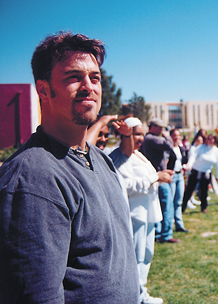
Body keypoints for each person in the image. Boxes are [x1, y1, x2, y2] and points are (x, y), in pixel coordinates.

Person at [0, 32, 139, 303]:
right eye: (74, 77)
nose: (89, 86)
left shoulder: (100, 159)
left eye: (95, 78)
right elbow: (34, 295)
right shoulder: (32, 177)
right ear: (43, 90)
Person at [111, 117, 168, 304]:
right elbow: (124, 184)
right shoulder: (118, 157)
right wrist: (155, 177)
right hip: (134, 215)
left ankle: (141, 293)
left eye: (142, 134)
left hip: (148, 211)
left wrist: (159, 177)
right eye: (136, 133)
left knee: (146, 255)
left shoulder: (138, 154)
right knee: (135, 258)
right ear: (125, 134)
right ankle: (132, 297)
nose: (140, 138)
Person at [140, 118, 180, 244]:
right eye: (161, 127)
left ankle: (157, 233)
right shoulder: (151, 139)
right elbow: (169, 145)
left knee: (156, 206)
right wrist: (168, 136)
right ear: (154, 127)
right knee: (167, 206)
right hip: (159, 178)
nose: (163, 130)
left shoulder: (147, 139)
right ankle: (166, 234)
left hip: (154, 177)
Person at [182, 134, 218, 214]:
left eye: (212, 139)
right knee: (189, 190)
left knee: (204, 191)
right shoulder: (201, 148)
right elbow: (193, 156)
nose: (210, 141)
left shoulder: (216, 151)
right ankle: (183, 208)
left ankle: (204, 207)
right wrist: (189, 165)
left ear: (215, 140)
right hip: (196, 171)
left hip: (206, 173)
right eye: (208, 139)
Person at [168, 128, 188, 233]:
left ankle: (179, 225)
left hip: (180, 175)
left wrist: (184, 166)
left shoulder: (181, 148)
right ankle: (169, 226)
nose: (177, 138)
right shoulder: (168, 148)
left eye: (178, 136)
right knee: (170, 202)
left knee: (178, 201)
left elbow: (183, 160)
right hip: (172, 176)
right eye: (175, 136)